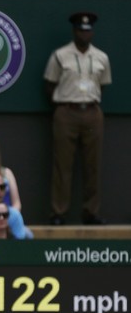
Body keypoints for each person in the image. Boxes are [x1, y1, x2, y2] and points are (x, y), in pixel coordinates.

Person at [43, 12, 111, 226]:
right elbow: (50, 84)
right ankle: (58, 213)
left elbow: (104, 85)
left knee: (93, 164)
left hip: (92, 111)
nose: (85, 33)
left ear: (92, 32)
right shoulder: (60, 55)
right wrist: (65, 103)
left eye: (88, 30)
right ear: (74, 31)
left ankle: (91, 212)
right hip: (66, 110)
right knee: (62, 164)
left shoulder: (101, 57)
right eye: (81, 30)